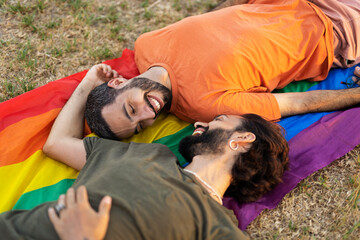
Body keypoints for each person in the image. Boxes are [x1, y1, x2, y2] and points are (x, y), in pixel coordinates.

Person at [82, 0, 360, 140]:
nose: (148, 115)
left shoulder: (146, 44)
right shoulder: (205, 108)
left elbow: (218, 19)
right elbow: (296, 102)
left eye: (132, 110)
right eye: (141, 125)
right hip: (334, 29)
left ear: (118, 82)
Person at [1, 113, 289, 240]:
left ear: (242, 139)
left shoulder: (217, 227)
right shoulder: (150, 153)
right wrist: (88, 81)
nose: (202, 122)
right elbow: (57, 143)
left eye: (220, 119)